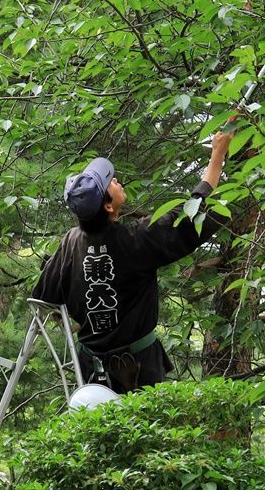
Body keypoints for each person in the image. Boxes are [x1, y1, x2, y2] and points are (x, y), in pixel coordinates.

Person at [32, 132, 233, 393]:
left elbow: (43, 297)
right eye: (110, 182)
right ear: (107, 206)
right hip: (139, 373)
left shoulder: (70, 244)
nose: (115, 179)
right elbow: (194, 211)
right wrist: (218, 155)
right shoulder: (136, 240)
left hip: (90, 377)